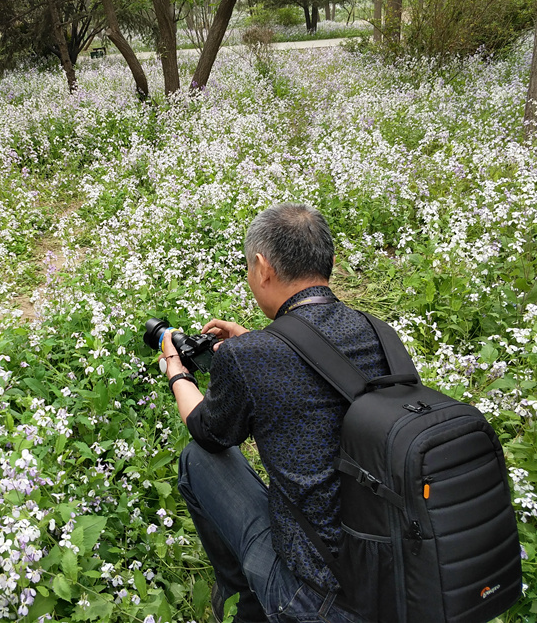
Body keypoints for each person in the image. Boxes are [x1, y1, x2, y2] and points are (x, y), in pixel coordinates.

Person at [158, 203, 388, 623]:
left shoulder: (251, 358)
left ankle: (244, 603)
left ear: (263, 268)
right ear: (329, 261)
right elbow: (326, 375)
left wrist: (176, 371)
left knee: (198, 459)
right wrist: (260, 342)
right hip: (393, 576)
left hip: (316, 596)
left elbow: (206, 431)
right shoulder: (379, 333)